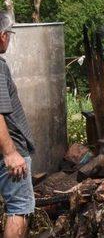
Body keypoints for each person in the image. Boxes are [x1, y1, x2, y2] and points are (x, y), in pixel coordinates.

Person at [0, 12, 35, 238]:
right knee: (19, 209)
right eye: (10, 34)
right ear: (2, 35)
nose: (10, 39)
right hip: (8, 153)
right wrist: (11, 152)